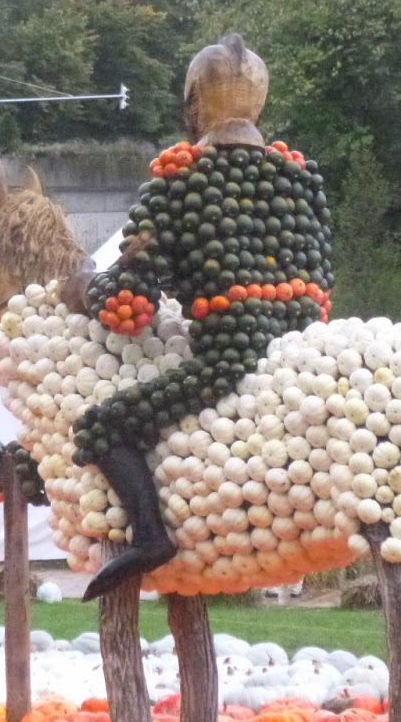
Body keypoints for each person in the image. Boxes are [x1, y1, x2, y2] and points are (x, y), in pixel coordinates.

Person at [66, 35, 335, 599]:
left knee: (101, 425)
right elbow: (318, 282)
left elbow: (128, 309)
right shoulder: (300, 179)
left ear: (194, 103)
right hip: (306, 354)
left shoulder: (179, 180)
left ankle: (150, 537)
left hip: (231, 357)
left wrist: (88, 286)